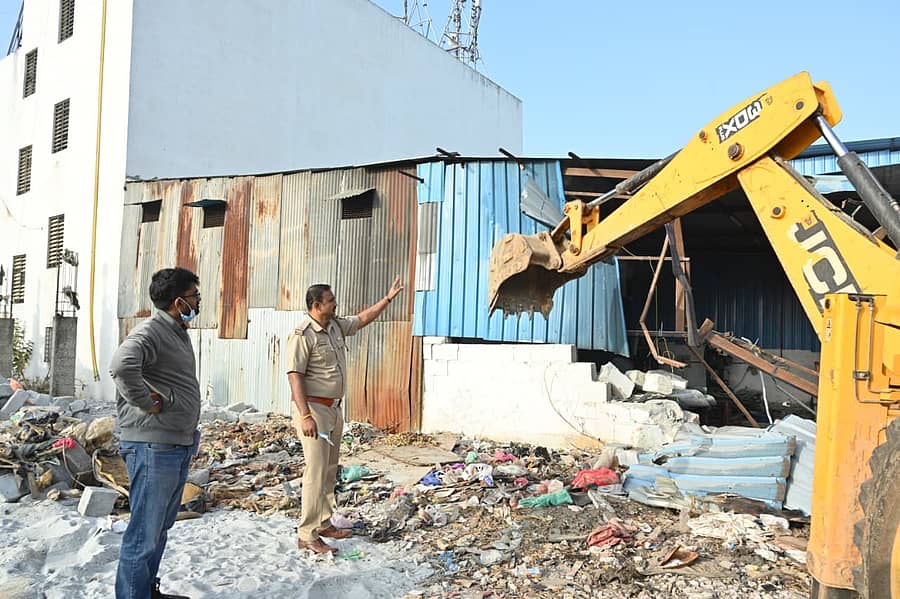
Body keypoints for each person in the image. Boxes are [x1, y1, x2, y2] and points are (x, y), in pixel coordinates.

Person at [287, 276, 404, 554]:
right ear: (316, 305)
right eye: (331, 301)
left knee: (329, 469)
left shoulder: (335, 326)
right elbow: (294, 376)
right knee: (315, 471)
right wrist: (305, 416)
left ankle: (324, 522)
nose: (336, 304)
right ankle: (306, 534)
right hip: (313, 409)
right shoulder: (303, 335)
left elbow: (363, 319)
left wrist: (387, 299)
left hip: (333, 409)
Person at [110, 267, 203, 599]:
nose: (198, 301)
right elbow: (121, 365)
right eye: (195, 296)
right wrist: (145, 401)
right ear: (179, 301)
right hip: (152, 446)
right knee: (143, 533)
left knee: (158, 528)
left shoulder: (175, 331)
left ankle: (146, 591)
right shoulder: (151, 330)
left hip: (173, 442)